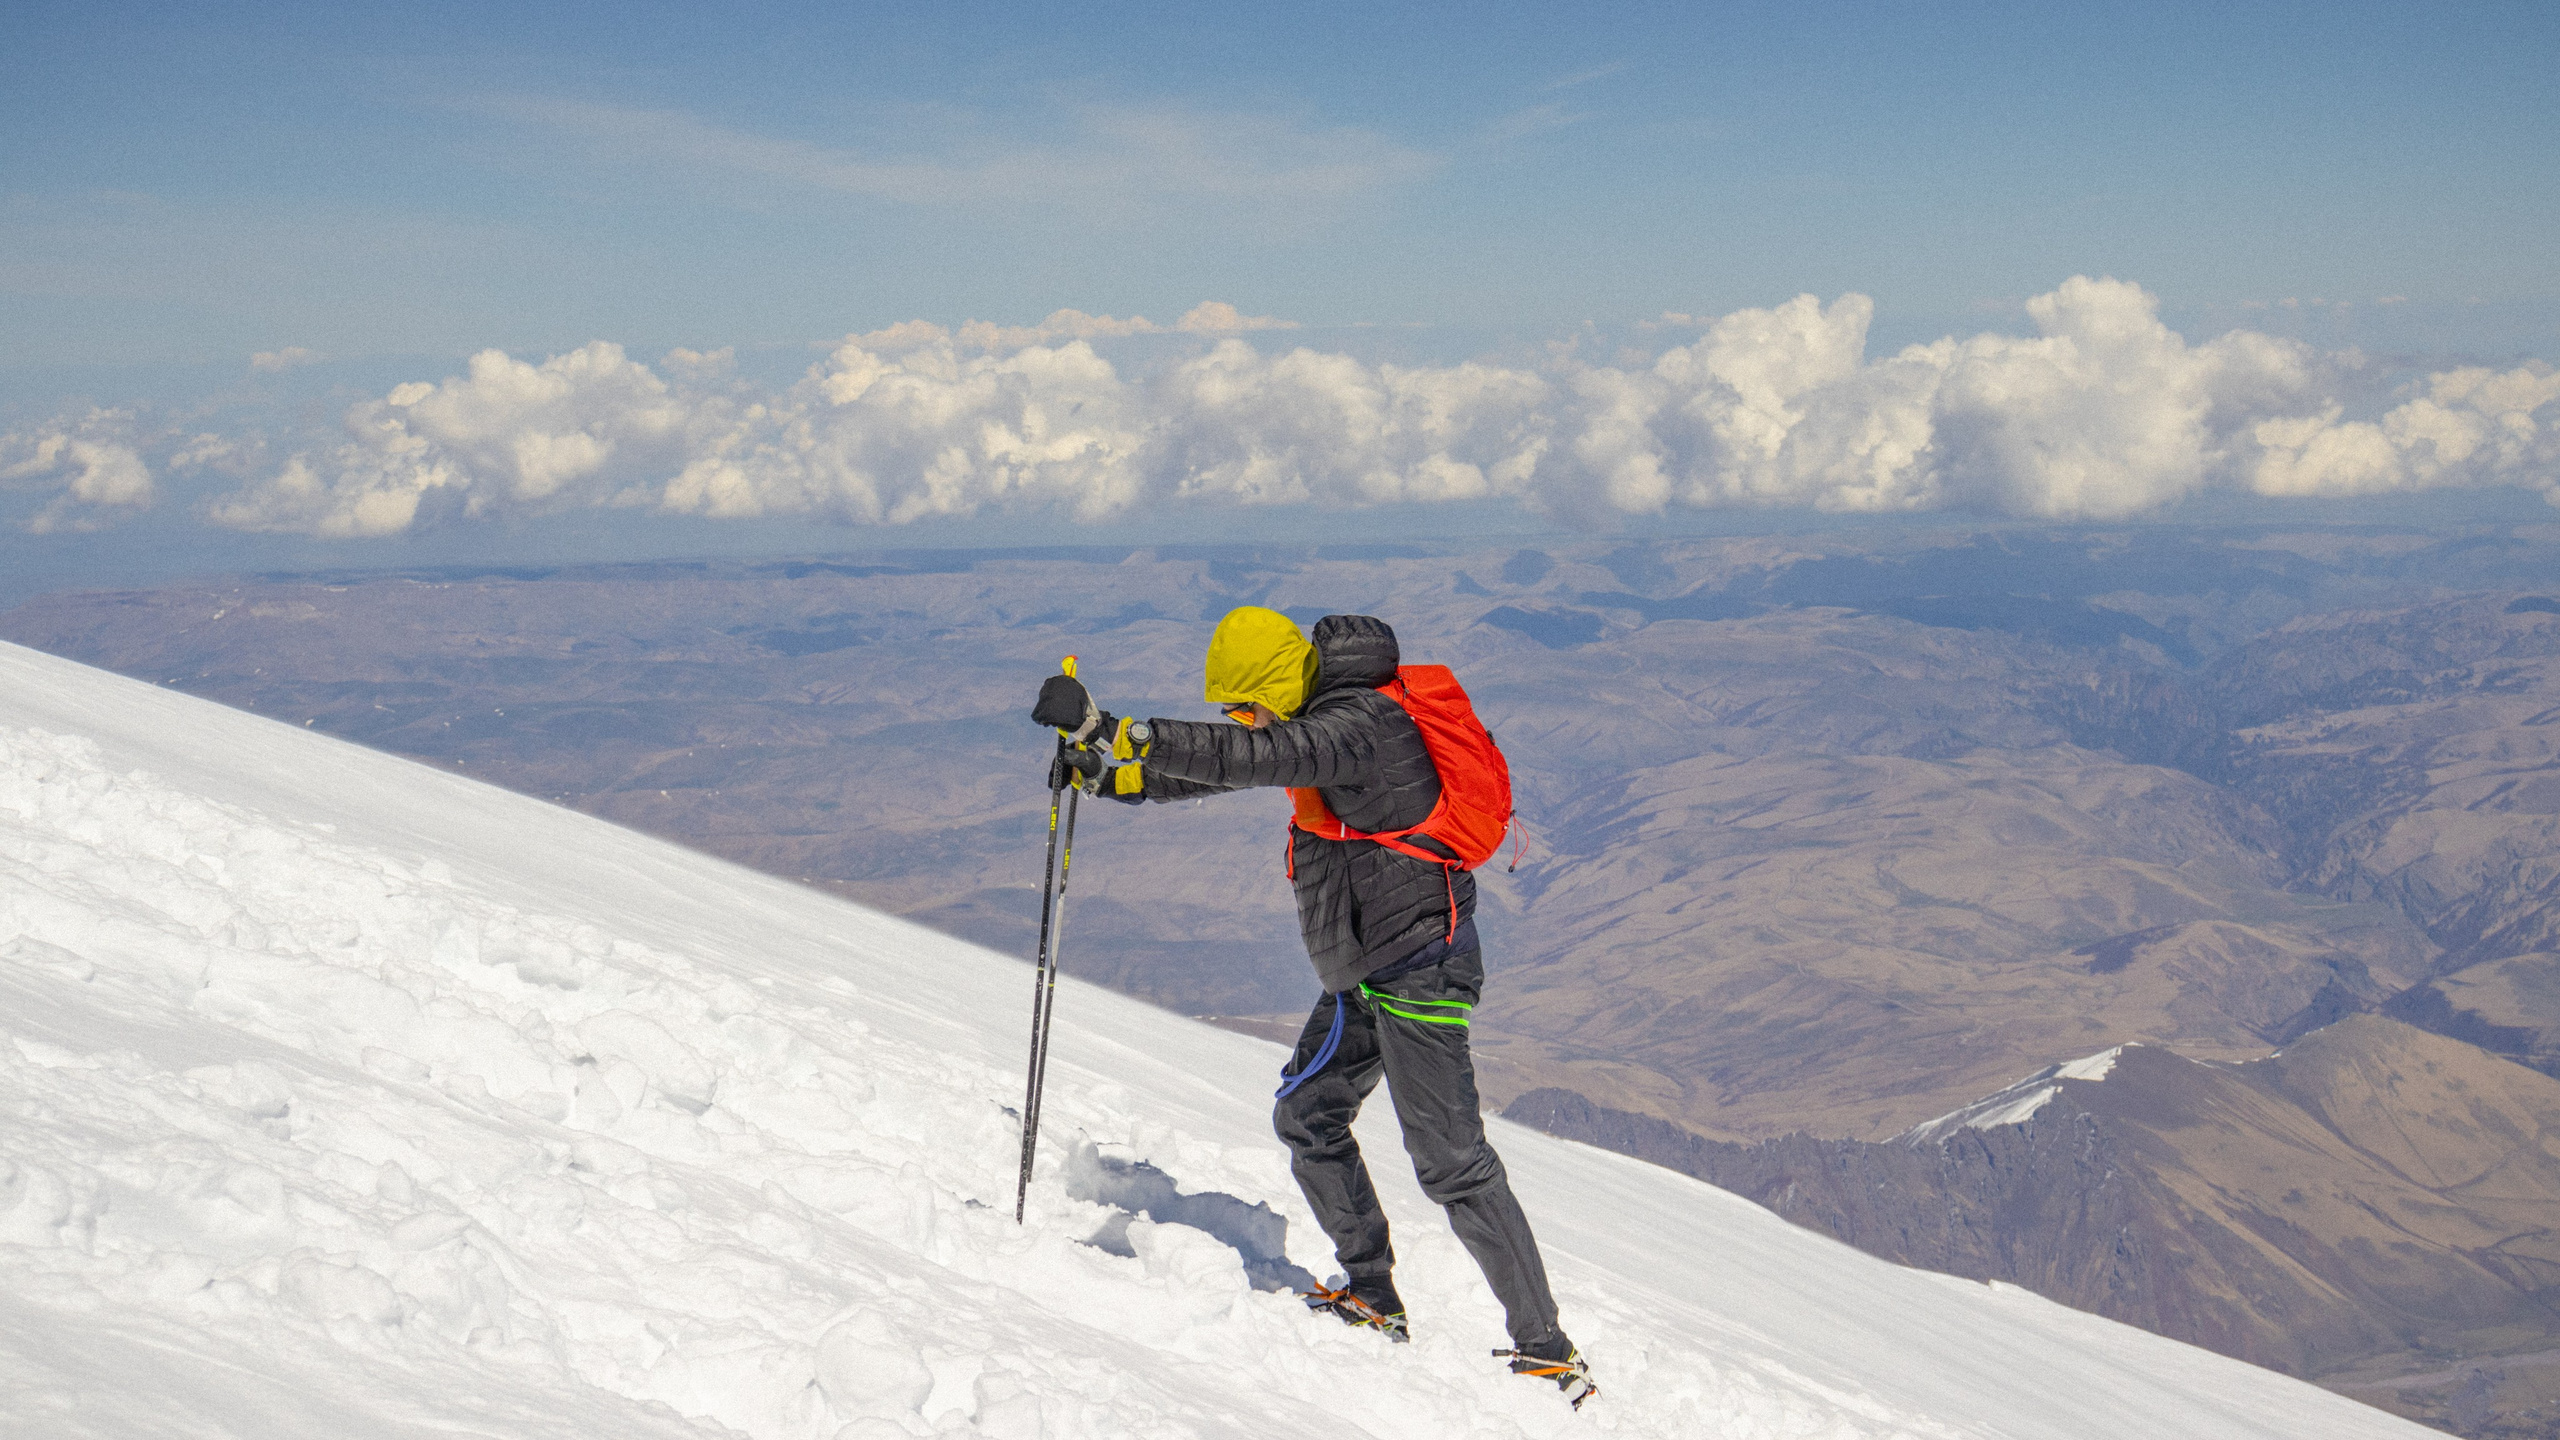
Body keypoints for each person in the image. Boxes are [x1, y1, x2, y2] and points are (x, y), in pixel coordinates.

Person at [1030, 606, 1592, 1406]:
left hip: (1421, 973)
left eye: (1242, 704)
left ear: (1271, 688)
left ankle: (1549, 1354)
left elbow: (1260, 755)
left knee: (1451, 1163)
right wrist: (1110, 773)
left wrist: (1117, 729)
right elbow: (1238, 764)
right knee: (1307, 1114)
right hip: (1367, 969)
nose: (1240, 720)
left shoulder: (1360, 724)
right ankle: (1373, 1294)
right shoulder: (1320, 725)